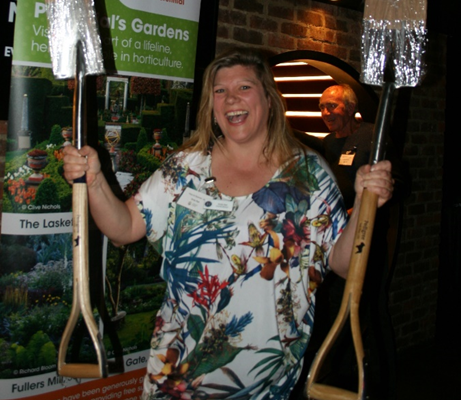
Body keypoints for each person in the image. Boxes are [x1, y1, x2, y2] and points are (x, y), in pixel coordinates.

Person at [63, 48, 394, 400]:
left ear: (269, 99)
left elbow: (343, 263)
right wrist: (94, 182)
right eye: (220, 91)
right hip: (175, 375)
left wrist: (365, 206)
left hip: (262, 382)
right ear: (212, 106)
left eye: (244, 87)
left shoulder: (308, 175)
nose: (231, 98)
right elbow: (125, 226)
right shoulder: (186, 167)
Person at [317, 83, 402, 396]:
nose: (326, 112)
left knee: (371, 309)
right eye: (322, 106)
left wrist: (366, 204)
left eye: (333, 106)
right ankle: (342, 381)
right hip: (336, 240)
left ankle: (382, 385)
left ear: (351, 108)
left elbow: (395, 183)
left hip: (368, 238)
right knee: (337, 307)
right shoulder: (327, 143)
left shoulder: (372, 137)